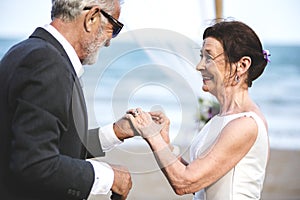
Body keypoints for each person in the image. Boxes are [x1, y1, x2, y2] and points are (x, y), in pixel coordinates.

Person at [0, 0, 135, 199]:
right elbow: (35, 163)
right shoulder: (47, 63)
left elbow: (55, 142)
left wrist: (115, 132)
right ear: (92, 18)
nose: (109, 41)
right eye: (113, 28)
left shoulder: (27, 50)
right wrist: (108, 177)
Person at [127, 20, 270, 200]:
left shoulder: (246, 124)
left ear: (241, 65)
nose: (199, 66)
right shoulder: (222, 118)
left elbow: (185, 183)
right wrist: (165, 143)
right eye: (201, 56)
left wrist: (152, 136)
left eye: (208, 57)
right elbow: (202, 182)